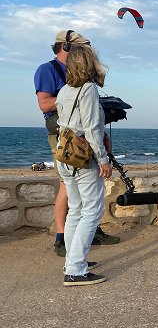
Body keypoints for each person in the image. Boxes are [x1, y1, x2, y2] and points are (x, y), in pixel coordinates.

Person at [34, 30, 120, 257]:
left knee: (78, 204)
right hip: (72, 140)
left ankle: (73, 258)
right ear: (68, 47)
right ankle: (67, 250)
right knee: (82, 202)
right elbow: (45, 105)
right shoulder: (50, 71)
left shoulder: (69, 87)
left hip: (72, 135)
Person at [56, 44, 114, 286]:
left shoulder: (64, 90)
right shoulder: (88, 89)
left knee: (76, 210)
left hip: (65, 156)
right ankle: (76, 270)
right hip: (83, 158)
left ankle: (72, 260)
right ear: (89, 64)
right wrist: (103, 159)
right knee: (92, 211)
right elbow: (91, 128)